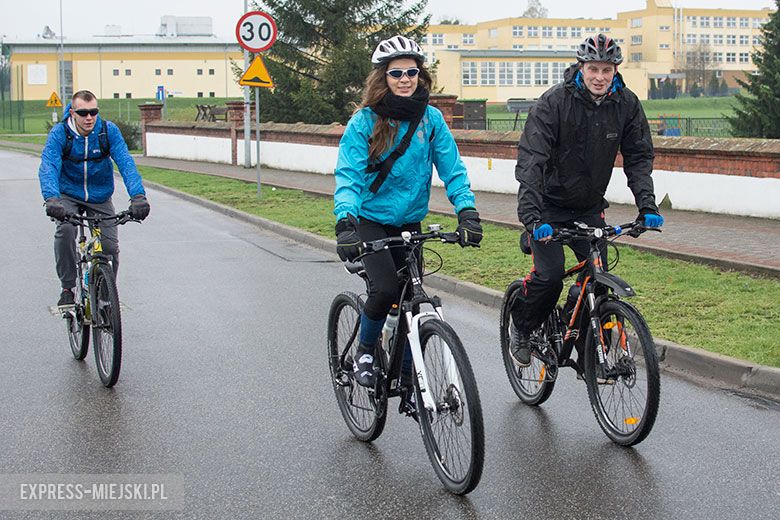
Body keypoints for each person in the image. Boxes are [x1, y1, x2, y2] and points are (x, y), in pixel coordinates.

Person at [334, 35, 483, 388]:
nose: (405, 79)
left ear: (421, 75)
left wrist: (467, 211)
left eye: (411, 72)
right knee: (385, 289)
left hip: (409, 222)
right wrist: (346, 221)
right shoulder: (364, 122)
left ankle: (404, 374)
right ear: (383, 77)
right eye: (396, 72)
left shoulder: (430, 120)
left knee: (411, 299)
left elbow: (453, 169)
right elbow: (349, 176)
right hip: (370, 221)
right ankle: (366, 351)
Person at [511, 34, 664, 366]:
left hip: (588, 207)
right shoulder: (553, 103)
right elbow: (531, 162)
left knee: (599, 280)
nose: (599, 76)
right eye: (593, 68)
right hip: (548, 207)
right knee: (549, 277)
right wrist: (533, 218)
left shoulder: (626, 104)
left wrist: (647, 205)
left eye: (606, 70)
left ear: (615, 71)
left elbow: (638, 157)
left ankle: (589, 354)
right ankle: (522, 326)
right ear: (581, 67)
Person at [38, 90, 150, 307]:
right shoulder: (60, 134)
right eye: (83, 113)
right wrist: (52, 198)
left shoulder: (108, 132)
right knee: (66, 230)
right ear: (72, 113)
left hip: (100, 195)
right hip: (67, 194)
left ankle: (106, 297)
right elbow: (49, 165)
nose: (89, 117)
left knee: (108, 248)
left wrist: (138, 196)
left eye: (93, 112)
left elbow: (126, 162)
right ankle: (68, 288)